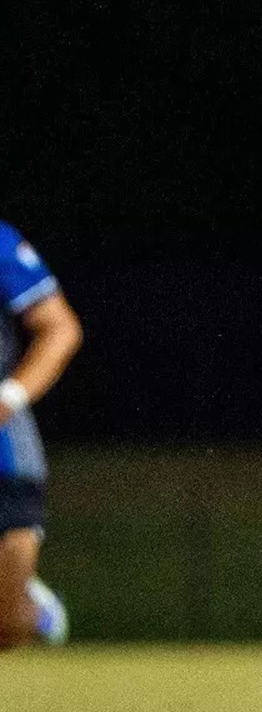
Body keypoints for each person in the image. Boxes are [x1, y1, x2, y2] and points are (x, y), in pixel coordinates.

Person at [0, 219, 81, 651]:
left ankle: (33, 608)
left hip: (3, 451)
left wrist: (9, 397)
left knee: (6, 626)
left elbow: (60, 328)